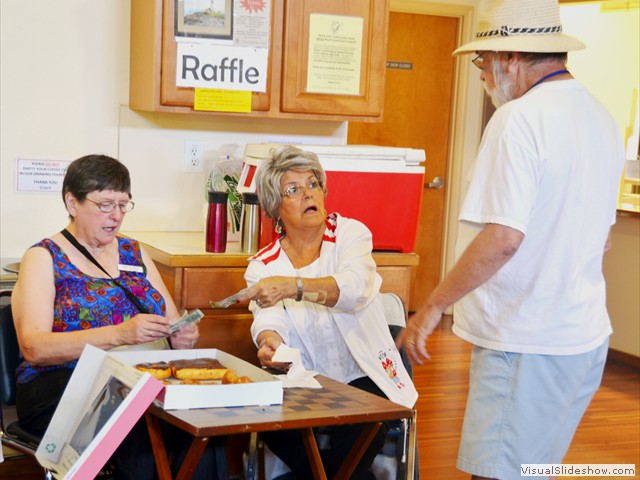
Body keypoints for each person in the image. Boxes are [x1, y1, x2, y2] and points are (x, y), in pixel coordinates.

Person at [398, 0, 626, 479]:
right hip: (582, 338)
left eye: (483, 61)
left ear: (510, 59)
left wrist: (433, 306)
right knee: (533, 471)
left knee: (500, 474)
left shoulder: (518, 119)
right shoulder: (601, 118)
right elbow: (602, 239)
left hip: (526, 340)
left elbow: (503, 238)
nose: (482, 73)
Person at [12, 154, 224, 479]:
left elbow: (170, 316)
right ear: (72, 202)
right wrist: (119, 334)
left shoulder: (133, 252)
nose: (116, 216)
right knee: (139, 428)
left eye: (124, 205)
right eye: (106, 204)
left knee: (203, 425)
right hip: (60, 384)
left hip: (133, 381)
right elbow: (34, 348)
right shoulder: (43, 257)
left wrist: (181, 334)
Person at [237, 145, 418, 479]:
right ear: (275, 207)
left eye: (313, 184)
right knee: (268, 423)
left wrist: (293, 285)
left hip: (367, 375)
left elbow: (353, 288)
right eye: (293, 189)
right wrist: (269, 342)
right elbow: (268, 317)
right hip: (305, 378)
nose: (308, 193)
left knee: (360, 428)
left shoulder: (350, 234)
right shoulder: (263, 264)